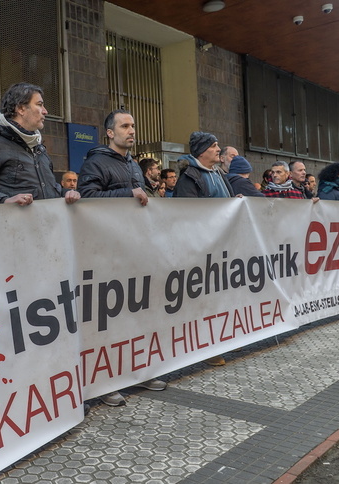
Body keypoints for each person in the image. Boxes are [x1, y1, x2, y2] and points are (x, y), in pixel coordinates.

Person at [78, 109, 166, 406]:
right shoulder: (96, 162)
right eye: (125, 126)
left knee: (137, 316)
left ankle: (140, 371)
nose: (132, 130)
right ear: (110, 133)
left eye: (133, 125)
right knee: (109, 322)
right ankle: (106, 382)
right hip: (108, 253)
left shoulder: (133, 164)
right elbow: (87, 198)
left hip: (134, 250)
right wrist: (126, 193)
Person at [0, 82, 79, 206]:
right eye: (39, 105)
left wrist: (67, 193)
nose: (45, 111)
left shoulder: (38, 148)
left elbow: (48, 190)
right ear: (21, 108)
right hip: (9, 226)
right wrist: (4, 201)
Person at [174, 131, 235, 367]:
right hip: (201, 249)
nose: (218, 149)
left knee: (219, 297)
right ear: (202, 151)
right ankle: (207, 347)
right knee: (204, 301)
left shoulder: (218, 174)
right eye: (214, 145)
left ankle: (220, 339)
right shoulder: (189, 178)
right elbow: (187, 215)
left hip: (221, 247)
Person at [173, 131, 234, 198]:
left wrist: (235, 200)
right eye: (213, 146)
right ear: (201, 152)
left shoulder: (219, 173)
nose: (219, 149)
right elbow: (188, 206)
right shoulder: (189, 176)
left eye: (217, 145)